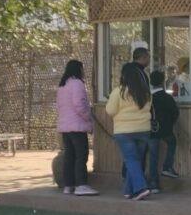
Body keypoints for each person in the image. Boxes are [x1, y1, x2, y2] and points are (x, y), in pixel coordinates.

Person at [106, 62, 153, 200]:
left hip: (124, 132)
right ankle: (128, 190)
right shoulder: (146, 92)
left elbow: (110, 110)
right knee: (135, 161)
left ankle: (141, 188)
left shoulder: (118, 92)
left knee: (131, 160)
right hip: (144, 130)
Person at [55, 60, 98, 196]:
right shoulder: (77, 83)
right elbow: (80, 105)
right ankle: (81, 184)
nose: (83, 71)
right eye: (82, 69)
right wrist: (88, 117)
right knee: (81, 156)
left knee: (69, 156)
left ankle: (68, 185)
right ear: (78, 69)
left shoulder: (62, 85)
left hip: (65, 126)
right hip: (77, 126)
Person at [146, 70, 180, 191]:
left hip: (151, 129)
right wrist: (170, 124)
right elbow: (175, 113)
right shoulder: (167, 97)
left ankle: (154, 184)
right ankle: (167, 167)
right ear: (162, 82)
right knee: (172, 142)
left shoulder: (148, 98)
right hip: (166, 130)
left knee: (153, 156)